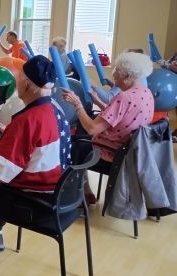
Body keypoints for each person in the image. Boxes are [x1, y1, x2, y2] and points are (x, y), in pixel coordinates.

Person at [0, 55, 71, 252]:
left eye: (20, 78)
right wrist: (10, 133)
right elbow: (40, 145)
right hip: (60, 192)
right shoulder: (56, 108)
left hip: (35, 201)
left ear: (26, 84)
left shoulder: (27, 121)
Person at [62, 52, 154, 202]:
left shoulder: (124, 97)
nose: (114, 77)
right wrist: (98, 101)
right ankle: (84, 190)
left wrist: (77, 104)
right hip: (129, 153)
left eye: (116, 72)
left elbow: (92, 128)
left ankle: (76, 197)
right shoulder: (145, 93)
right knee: (79, 139)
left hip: (111, 154)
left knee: (69, 145)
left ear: (128, 76)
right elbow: (120, 115)